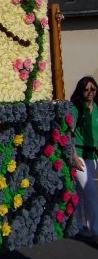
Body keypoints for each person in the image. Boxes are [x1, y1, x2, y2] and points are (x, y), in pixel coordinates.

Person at [70, 76, 98, 242]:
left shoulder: (97, 107)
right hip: (79, 155)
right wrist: (73, 156)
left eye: (93, 89)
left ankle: (80, 225)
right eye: (86, 89)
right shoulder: (76, 108)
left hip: (93, 156)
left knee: (81, 193)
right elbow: (69, 132)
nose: (90, 92)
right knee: (91, 193)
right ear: (81, 91)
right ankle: (95, 230)